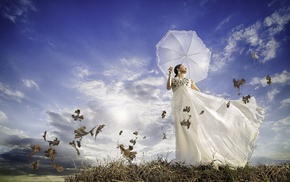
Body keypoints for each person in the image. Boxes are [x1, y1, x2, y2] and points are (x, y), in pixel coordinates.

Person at [167, 64, 264, 168]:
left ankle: (199, 155)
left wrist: (207, 101)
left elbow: (198, 93)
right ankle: (187, 155)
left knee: (194, 128)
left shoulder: (190, 80)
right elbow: (168, 87)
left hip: (190, 106)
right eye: (183, 66)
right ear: (178, 69)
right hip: (179, 107)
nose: (185, 68)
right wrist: (169, 75)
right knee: (183, 131)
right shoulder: (173, 79)